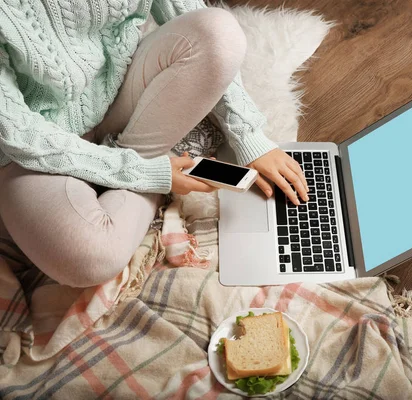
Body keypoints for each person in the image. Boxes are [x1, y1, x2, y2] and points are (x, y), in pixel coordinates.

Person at [0, 0, 308, 288]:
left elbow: (183, 9)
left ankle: (138, 165)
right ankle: (156, 163)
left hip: (115, 92)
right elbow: (19, 132)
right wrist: (146, 173)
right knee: (91, 256)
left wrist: (249, 135)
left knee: (221, 33)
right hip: (33, 147)